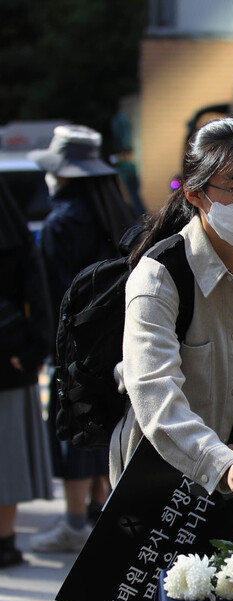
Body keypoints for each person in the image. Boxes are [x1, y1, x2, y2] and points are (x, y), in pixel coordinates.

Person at [109, 117, 233, 504]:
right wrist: (221, 462)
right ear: (195, 193)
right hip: (158, 487)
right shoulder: (160, 277)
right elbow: (155, 392)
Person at [29, 125, 135, 553]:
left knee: (76, 425)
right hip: (123, 337)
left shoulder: (62, 222)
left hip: (77, 343)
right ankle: (98, 509)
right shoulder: (122, 213)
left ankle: (75, 523)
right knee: (109, 423)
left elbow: (53, 291)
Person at [0, 179, 54, 567]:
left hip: (10, 356)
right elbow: (35, 286)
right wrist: (33, 345)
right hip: (11, 356)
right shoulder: (13, 224)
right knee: (9, 453)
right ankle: (5, 541)